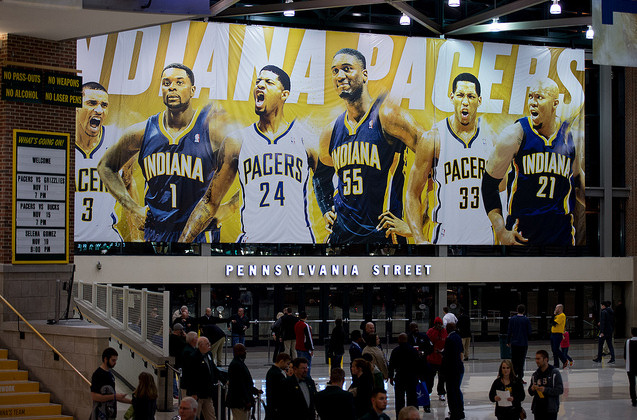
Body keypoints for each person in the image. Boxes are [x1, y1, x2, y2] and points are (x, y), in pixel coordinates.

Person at [180, 65, 320, 243]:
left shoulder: (305, 140)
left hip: (299, 247)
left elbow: (327, 186)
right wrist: (179, 245)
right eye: (258, 81)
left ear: (284, 94)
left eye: (268, 82)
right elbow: (210, 201)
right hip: (253, 248)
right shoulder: (237, 141)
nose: (260, 85)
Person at [98, 63, 233, 243]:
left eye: (179, 83)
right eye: (166, 83)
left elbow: (250, 155)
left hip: (199, 234)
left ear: (192, 90)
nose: (172, 88)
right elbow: (105, 167)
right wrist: (132, 208)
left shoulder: (211, 130)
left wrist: (231, 206)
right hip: (157, 233)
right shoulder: (142, 132)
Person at [317, 47, 422, 244]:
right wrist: (326, 209)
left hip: (384, 242)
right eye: (335, 71)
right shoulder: (331, 131)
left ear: (364, 75)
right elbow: (320, 177)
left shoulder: (388, 115)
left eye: (347, 69)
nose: (340, 76)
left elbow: (432, 156)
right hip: (341, 241)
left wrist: (415, 225)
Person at [481, 77, 584, 246]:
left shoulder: (568, 135)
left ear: (555, 104)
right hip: (523, 234)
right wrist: (500, 231)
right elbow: (488, 184)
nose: (533, 103)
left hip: (562, 234)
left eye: (540, 97)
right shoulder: (515, 134)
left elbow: (578, 181)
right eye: (531, 96)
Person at [406, 72, 497, 244]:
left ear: (479, 100)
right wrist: (419, 239)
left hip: (484, 235)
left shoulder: (491, 139)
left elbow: (501, 189)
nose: (465, 102)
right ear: (452, 97)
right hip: (447, 236)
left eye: (471, 96)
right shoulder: (433, 139)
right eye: (461, 95)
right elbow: (412, 193)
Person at [75, 82, 138, 242]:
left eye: (104, 105)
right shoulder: (60, 143)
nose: (99, 110)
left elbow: (129, 185)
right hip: (70, 243)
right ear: (76, 107)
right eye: (91, 103)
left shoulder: (118, 142)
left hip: (108, 240)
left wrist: (137, 240)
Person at [90, 347, 131, 420]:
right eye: (113, 360)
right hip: (99, 415)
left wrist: (132, 402)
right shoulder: (98, 374)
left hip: (110, 415)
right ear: (105, 359)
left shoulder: (110, 375)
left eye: (116, 360)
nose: (115, 363)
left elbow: (114, 396)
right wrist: (114, 396)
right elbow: (94, 396)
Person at [189, 337, 223, 420]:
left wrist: (224, 379)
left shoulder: (209, 354)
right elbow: (191, 376)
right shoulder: (193, 357)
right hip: (198, 394)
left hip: (208, 392)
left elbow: (214, 369)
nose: (209, 346)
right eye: (207, 344)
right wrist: (193, 393)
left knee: (211, 416)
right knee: (195, 416)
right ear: (200, 345)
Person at [226, 344, 262, 420]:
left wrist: (254, 390)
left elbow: (245, 382)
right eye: (244, 351)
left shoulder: (239, 363)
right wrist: (246, 401)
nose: (245, 353)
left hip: (241, 401)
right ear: (238, 352)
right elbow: (239, 385)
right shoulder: (236, 365)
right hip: (239, 402)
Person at [389, 333, 420, 416]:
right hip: (412, 377)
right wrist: (418, 376)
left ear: (399, 340)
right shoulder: (413, 350)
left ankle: (399, 416)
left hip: (400, 377)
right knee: (412, 399)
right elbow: (418, 364)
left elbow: (391, 365)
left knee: (399, 400)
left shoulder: (395, 350)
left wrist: (391, 377)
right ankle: (413, 416)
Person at [528, 350, 563, 420]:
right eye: (536, 359)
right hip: (538, 409)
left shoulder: (554, 373)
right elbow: (530, 392)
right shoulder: (535, 374)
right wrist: (532, 389)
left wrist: (545, 390)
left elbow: (560, 390)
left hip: (550, 409)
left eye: (538, 359)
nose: (536, 361)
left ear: (546, 359)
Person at [442, 323, 465, 420]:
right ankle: (460, 411)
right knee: (457, 390)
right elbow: (460, 352)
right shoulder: (458, 337)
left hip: (451, 370)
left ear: (448, 328)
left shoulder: (449, 339)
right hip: (459, 368)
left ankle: (454, 413)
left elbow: (447, 356)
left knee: (451, 392)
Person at [507, 304, 532, 382]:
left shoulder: (512, 319)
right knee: (521, 361)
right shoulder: (526, 320)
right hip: (523, 343)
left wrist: (508, 341)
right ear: (524, 311)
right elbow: (529, 332)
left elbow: (509, 331)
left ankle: (513, 376)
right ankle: (520, 377)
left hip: (514, 343)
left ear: (517, 310)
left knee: (514, 361)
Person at [426, 317, 447, 401]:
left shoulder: (445, 332)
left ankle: (441, 393)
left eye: (440, 324)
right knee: (430, 377)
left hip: (442, 359)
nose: (439, 325)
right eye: (437, 324)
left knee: (442, 378)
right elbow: (427, 343)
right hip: (432, 359)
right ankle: (428, 392)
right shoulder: (430, 332)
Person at [265, 353, 291, 420]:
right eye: (287, 364)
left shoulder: (272, 372)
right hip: (276, 408)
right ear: (281, 361)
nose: (287, 366)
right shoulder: (277, 374)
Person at [169, 323, 186, 398]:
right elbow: (185, 345)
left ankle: (175, 392)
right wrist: (185, 337)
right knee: (180, 376)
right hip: (179, 360)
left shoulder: (170, 337)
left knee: (173, 377)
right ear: (179, 330)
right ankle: (177, 393)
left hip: (173, 359)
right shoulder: (179, 339)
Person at [180, 331, 198, 398]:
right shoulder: (188, 351)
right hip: (188, 384)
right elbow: (190, 368)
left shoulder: (194, 349)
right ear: (193, 339)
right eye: (197, 337)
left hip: (190, 384)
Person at [549, 304, 568, 369]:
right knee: (553, 350)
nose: (555, 309)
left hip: (558, 334)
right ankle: (556, 364)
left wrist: (554, 315)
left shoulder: (562, 316)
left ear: (560, 309)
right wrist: (554, 315)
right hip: (553, 334)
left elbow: (554, 323)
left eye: (556, 308)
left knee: (556, 349)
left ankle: (564, 360)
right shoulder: (557, 315)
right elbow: (550, 321)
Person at [625, 327, 637, 407]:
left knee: (632, 384)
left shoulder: (628, 342)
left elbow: (625, 355)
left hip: (631, 366)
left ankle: (634, 400)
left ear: (631, 333)